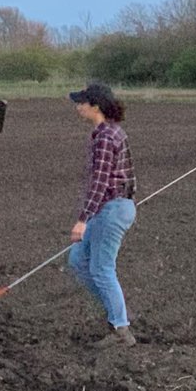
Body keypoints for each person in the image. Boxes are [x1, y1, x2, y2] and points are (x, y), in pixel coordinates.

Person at [67, 82, 138, 342]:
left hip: (112, 209)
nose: (78, 107)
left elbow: (100, 182)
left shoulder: (106, 138)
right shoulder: (109, 132)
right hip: (113, 207)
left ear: (95, 106)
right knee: (77, 259)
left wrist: (83, 220)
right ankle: (115, 310)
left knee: (101, 269)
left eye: (81, 103)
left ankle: (120, 328)